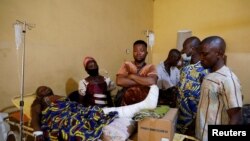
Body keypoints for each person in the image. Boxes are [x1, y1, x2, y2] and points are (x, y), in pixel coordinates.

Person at [31, 85, 159, 141]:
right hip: (58, 116)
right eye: (41, 89)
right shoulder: (39, 102)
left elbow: (74, 105)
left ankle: (143, 106)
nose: (44, 88)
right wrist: (37, 131)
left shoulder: (58, 96)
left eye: (46, 86)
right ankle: (142, 106)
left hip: (75, 110)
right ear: (38, 95)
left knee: (97, 112)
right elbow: (35, 117)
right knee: (73, 125)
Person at [196, 36, 243, 141]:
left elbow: (236, 119)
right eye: (200, 54)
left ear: (219, 53)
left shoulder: (228, 79)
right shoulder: (209, 75)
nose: (200, 58)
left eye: (205, 54)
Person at [176, 36, 209, 136]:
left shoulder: (203, 68)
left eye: (185, 47)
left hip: (193, 117)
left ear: (193, 48)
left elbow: (205, 97)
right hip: (180, 114)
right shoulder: (185, 65)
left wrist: (195, 121)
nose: (183, 50)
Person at [115, 40, 158, 106]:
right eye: (135, 51)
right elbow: (119, 81)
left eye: (141, 51)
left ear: (146, 53)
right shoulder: (127, 65)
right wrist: (144, 82)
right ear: (133, 52)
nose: (138, 53)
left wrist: (132, 76)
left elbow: (152, 81)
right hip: (126, 102)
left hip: (144, 101)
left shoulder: (150, 67)